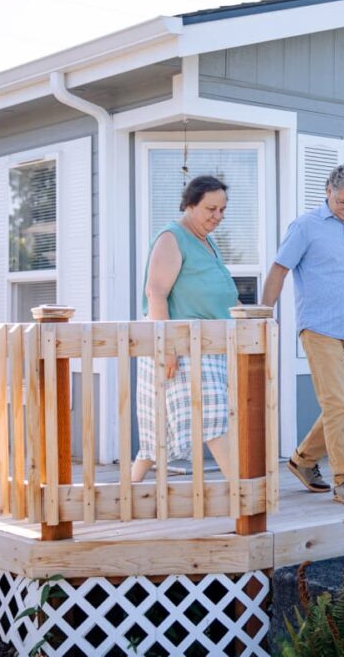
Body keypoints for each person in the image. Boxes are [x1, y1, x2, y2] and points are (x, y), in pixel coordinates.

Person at [261, 162, 344, 505]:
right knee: (336, 404)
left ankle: (303, 460)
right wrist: (262, 315)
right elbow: (279, 270)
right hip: (319, 328)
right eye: (343, 202)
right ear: (328, 191)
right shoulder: (305, 226)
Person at [132, 175, 238, 483]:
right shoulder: (172, 237)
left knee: (158, 431)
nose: (218, 216)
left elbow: (217, 293)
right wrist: (166, 348)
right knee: (213, 416)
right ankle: (241, 490)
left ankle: (130, 486)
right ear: (190, 205)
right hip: (181, 347)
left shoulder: (207, 241)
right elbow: (156, 292)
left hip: (209, 345)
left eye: (222, 210)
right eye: (211, 209)